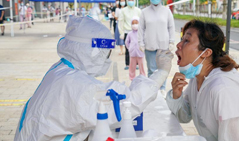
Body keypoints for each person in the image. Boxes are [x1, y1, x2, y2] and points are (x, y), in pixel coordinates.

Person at [14, 16, 174, 140]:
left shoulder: (61, 70)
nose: (107, 60)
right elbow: (127, 103)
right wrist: (161, 73)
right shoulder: (73, 84)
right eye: (105, 54)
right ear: (92, 52)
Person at [166, 20, 239, 141]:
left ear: (206, 53)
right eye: (182, 39)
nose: (178, 45)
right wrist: (177, 95)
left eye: (186, 40)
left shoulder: (224, 89)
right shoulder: (197, 79)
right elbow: (184, 117)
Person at [138, 0, 175, 96]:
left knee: (163, 69)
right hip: (149, 45)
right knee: (151, 69)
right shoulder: (144, 12)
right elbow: (141, 28)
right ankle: (152, 90)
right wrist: (141, 43)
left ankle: (162, 89)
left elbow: (171, 27)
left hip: (164, 45)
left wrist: (172, 41)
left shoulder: (166, 11)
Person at [118, 0, 141, 70]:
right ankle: (128, 64)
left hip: (136, 32)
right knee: (128, 49)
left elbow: (141, 22)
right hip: (127, 31)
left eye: (132, 0)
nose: (131, 1)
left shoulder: (138, 10)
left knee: (137, 48)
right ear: (127, 1)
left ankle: (137, 63)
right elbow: (121, 22)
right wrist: (121, 32)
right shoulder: (123, 10)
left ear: (134, 1)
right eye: (129, 0)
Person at [125, 16, 145, 81]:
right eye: (133, 23)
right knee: (132, 67)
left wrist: (143, 48)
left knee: (141, 67)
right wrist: (130, 48)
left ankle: (142, 78)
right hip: (132, 53)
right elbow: (127, 42)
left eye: (136, 23)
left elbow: (145, 41)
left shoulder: (142, 33)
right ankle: (132, 78)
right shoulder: (130, 34)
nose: (134, 25)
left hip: (140, 52)